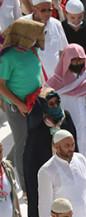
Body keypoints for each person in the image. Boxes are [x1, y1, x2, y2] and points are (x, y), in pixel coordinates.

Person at [45, 44, 86, 177]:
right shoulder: (55, 84)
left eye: (81, 59)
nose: (78, 62)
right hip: (68, 137)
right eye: (74, 60)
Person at [0, 17, 45, 188]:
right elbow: (1, 86)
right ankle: (26, 187)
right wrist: (19, 104)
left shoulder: (33, 51)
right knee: (23, 146)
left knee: (26, 140)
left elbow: (37, 75)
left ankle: (7, 165)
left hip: (34, 105)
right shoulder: (7, 58)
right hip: (16, 108)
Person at [24, 88, 78, 217]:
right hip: (45, 178)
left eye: (56, 103)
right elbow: (30, 162)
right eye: (50, 104)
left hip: (64, 176)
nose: (54, 107)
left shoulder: (65, 117)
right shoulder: (37, 124)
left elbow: (74, 146)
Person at [28, 0, 66, 80]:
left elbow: (63, 51)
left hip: (54, 82)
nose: (47, 13)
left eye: (50, 10)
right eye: (43, 10)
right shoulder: (22, 24)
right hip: (31, 82)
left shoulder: (57, 24)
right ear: (34, 9)